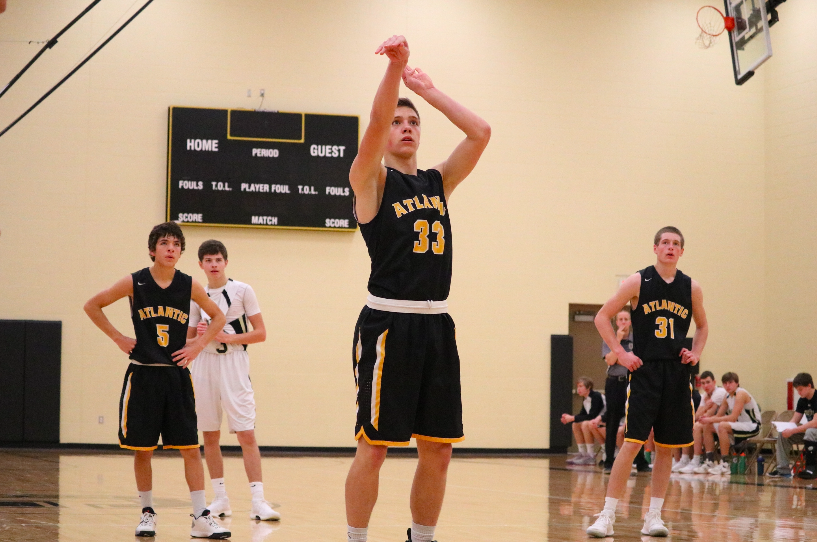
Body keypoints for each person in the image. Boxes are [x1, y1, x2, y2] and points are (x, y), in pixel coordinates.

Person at [344, 35, 490, 542]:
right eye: (398, 123)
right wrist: (396, 70)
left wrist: (427, 91)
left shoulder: (438, 182)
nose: (405, 128)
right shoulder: (371, 181)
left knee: (440, 448)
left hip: (436, 325)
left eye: (414, 124)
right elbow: (376, 125)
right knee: (376, 446)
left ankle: (420, 538)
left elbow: (480, 132)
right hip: (389, 323)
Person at [83, 222, 231, 539]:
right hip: (144, 374)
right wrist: (118, 337)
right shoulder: (135, 282)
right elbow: (92, 305)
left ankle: (201, 516)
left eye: (176, 244)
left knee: (191, 448)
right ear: (153, 249)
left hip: (177, 377)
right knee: (143, 449)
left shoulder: (189, 285)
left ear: (181, 252)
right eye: (164, 243)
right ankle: (147, 512)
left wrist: (198, 345)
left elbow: (218, 316)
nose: (171, 248)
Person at [587, 226, 708, 538]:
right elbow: (602, 317)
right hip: (646, 371)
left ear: (682, 251)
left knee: (666, 448)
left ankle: (654, 516)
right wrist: (620, 352)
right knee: (632, 443)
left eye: (676, 244)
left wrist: (695, 352)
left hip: (677, 374)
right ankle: (607, 515)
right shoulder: (638, 280)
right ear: (655, 248)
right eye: (665, 242)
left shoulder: (691, 287)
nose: (670, 247)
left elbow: (703, 325)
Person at [187, 240, 280, 521]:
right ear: (200, 265)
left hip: (234, 362)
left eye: (217, 259)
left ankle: (258, 501)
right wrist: (200, 335)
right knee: (209, 434)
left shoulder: (242, 291)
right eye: (208, 260)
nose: (213, 264)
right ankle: (220, 499)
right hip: (204, 363)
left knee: (245, 432)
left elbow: (261, 332)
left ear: (225, 262)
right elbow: (188, 341)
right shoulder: (196, 295)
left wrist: (229, 337)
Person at [600, 309, 650, 474]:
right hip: (615, 383)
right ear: (616, 322)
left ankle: (640, 461)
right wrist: (618, 340)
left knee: (635, 422)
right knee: (612, 422)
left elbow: (638, 361)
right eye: (620, 319)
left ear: (630, 322)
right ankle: (608, 461)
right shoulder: (610, 339)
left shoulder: (638, 339)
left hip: (633, 383)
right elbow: (610, 360)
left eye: (626, 319)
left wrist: (623, 360)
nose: (623, 322)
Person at [697, 372, 761, 475]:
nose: (727, 385)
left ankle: (725, 464)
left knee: (722, 425)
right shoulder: (727, 396)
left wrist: (711, 419)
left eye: (730, 382)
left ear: (737, 383)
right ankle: (709, 461)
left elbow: (732, 417)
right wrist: (706, 419)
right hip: (738, 425)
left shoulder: (741, 394)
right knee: (707, 425)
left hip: (752, 426)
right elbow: (718, 416)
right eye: (725, 383)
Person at [768, 373, 817, 478]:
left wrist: (793, 430)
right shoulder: (802, 400)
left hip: (814, 430)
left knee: (810, 431)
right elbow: (794, 420)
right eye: (797, 390)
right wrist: (786, 428)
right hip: (812, 432)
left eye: (800, 389)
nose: (799, 393)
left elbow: (815, 423)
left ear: (809, 386)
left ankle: (811, 467)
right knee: (783, 435)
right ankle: (782, 469)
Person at [678, 370, 727, 474]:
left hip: (724, 423)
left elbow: (708, 414)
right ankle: (684, 459)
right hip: (713, 424)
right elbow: (696, 415)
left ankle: (697, 460)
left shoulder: (719, 392)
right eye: (703, 383)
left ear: (714, 382)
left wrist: (704, 411)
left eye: (708, 382)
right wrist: (705, 407)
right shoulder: (705, 395)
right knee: (689, 424)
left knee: (698, 425)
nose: (705, 385)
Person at [561, 377, 606, 465]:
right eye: (577, 387)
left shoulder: (596, 396)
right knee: (575, 424)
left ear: (588, 387)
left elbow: (592, 416)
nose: (579, 389)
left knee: (585, 424)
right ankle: (582, 453)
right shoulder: (586, 399)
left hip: (605, 420)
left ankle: (590, 455)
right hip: (595, 421)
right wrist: (570, 418)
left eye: (581, 386)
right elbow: (582, 415)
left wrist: (572, 418)